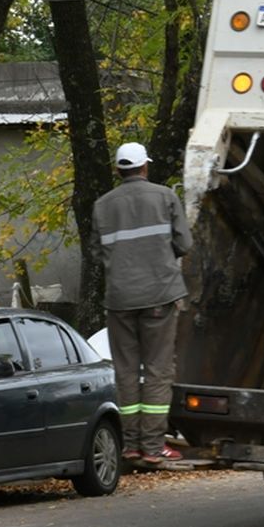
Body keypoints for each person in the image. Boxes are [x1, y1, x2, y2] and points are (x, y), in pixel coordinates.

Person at [91, 142, 192, 467]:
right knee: (159, 371)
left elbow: (95, 253)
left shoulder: (102, 205)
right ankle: (152, 446)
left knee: (126, 372)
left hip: (119, 300)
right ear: (144, 167)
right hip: (159, 297)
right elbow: (184, 244)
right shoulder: (165, 197)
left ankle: (131, 446)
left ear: (119, 170)